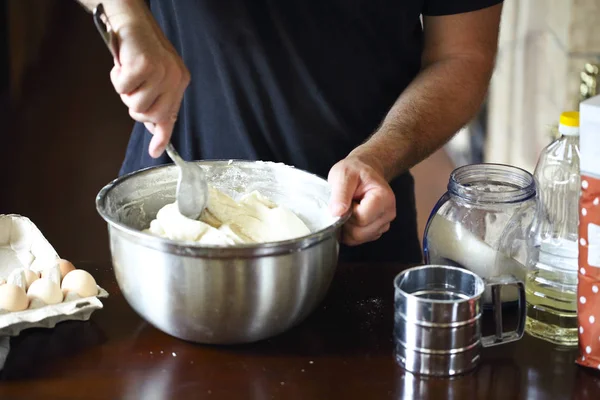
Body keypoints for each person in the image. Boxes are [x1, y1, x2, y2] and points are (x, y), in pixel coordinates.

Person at [77, 0, 503, 263]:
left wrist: (380, 155)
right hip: (167, 221)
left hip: (353, 225)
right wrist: (127, 19)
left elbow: (462, 55)